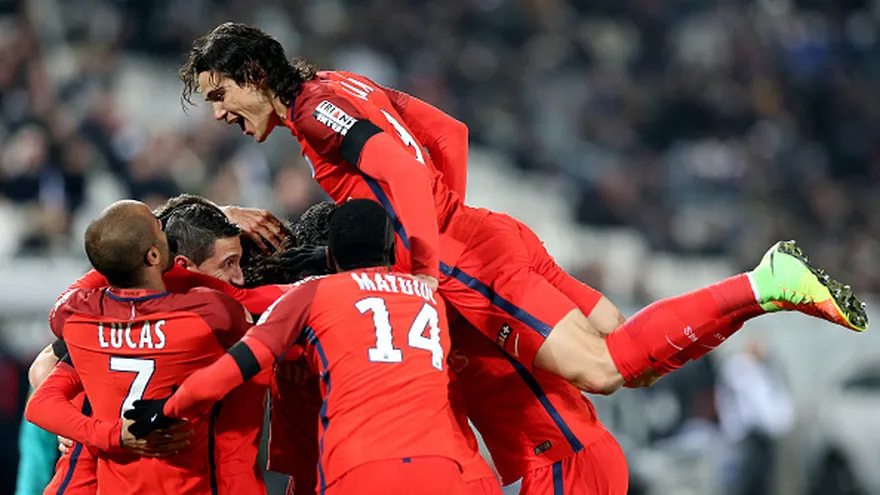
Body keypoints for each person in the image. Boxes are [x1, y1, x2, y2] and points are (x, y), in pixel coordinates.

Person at [179, 22, 868, 493]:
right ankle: (765, 288)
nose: (218, 114)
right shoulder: (343, 81)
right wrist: (456, 214)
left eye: (219, 95)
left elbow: (397, 164)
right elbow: (446, 131)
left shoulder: (310, 108)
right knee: (622, 342)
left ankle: (762, 282)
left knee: (602, 368)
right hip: (486, 233)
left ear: (251, 73)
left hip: (457, 257)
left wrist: (423, 261)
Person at [126, 199, 469, 495]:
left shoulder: (310, 296)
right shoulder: (428, 296)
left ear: (330, 257)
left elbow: (236, 361)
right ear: (392, 253)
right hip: (441, 466)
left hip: (359, 464)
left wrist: (169, 407)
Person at [27, 200, 259, 495]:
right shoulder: (206, 318)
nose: (239, 276)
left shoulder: (86, 319)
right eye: (229, 263)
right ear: (160, 257)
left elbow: (43, 382)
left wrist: (99, 431)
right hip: (147, 481)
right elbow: (259, 312)